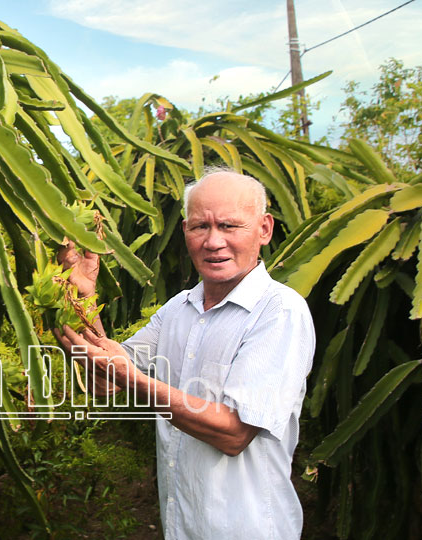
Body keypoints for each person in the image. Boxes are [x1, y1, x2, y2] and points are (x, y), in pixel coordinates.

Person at [54, 167, 315, 539]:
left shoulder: (279, 311)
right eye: (199, 227)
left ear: (264, 230)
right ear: (185, 233)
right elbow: (106, 377)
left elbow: (234, 434)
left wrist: (135, 382)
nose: (213, 241)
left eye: (229, 226)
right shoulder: (180, 308)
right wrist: (82, 296)